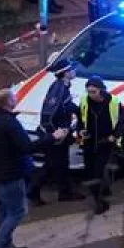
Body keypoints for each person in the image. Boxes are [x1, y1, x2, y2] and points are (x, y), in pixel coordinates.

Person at [0, 88, 67, 248]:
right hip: (9, 175)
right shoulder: (10, 123)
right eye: (14, 98)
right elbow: (27, 148)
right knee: (17, 211)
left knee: (4, 211)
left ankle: (7, 246)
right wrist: (52, 137)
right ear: (9, 102)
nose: (16, 99)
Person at [28, 59, 84, 205]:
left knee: (60, 164)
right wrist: (56, 133)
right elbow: (49, 114)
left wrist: (78, 111)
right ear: (65, 73)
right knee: (52, 165)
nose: (74, 71)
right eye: (71, 69)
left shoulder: (62, 87)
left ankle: (64, 192)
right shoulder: (58, 89)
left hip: (59, 134)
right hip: (57, 135)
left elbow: (67, 105)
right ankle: (34, 191)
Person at [79, 77, 124, 214]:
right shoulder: (84, 101)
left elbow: (123, 122)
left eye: (93, 92)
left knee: (99, 174)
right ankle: (100, 194)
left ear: (101, 90)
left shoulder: (114, 102)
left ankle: (101, 202)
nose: (91, 95)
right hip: (89, 143)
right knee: (89, 173)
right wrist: (80, 130)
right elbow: (81, 120)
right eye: (88, 92)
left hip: (106, 144)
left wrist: (114, 136)